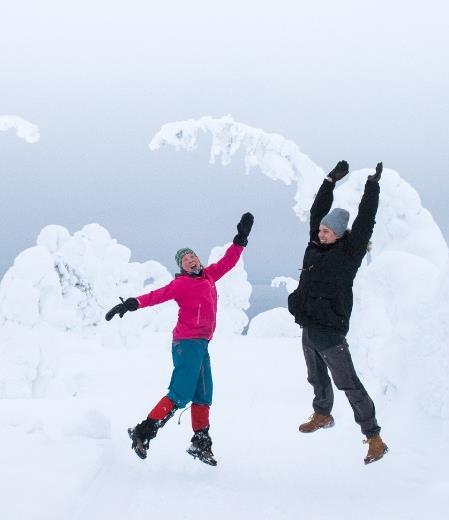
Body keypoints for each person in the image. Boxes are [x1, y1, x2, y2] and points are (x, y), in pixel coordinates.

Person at [105, 212, 254, 466]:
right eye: (186, 260)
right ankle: (143, 431)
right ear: (181, 266)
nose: (191, 260)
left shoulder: (208, 276)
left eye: (193, 256)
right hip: (186, 344)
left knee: (204, 395)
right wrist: (132, 304)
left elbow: (228, 261)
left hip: (202, 344)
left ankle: (200, 443)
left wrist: (240, 239)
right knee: (180, 393)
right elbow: (157, 295)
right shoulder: (181, 284)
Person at [288, 160, 388, 465]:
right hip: (309, 325)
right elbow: (317, 211)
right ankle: (322, 414)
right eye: (320, 229)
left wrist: (372, 186)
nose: (321, 232)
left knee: (349, 383)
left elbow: (366, 220)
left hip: (330, 329)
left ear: (340, 234)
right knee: (315, 376)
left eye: (328, 230)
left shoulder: (349, 252)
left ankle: (374, 438)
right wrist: (330, 181)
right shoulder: (314, 245)